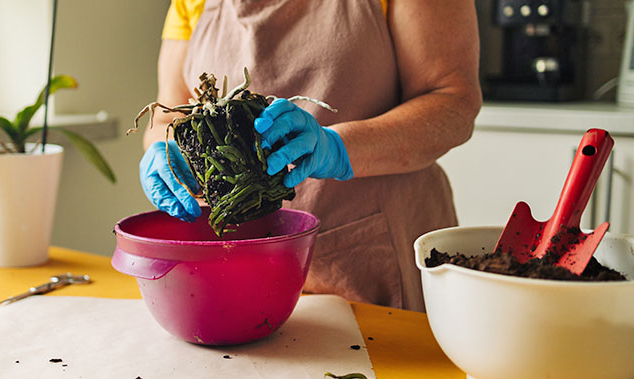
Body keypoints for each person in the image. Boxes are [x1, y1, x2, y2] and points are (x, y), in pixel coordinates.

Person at [139, 0, 482, 311]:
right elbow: (168, 115)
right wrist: (167, 152)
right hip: (246, 273)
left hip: (376, 260)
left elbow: (452, 100)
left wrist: (338, 147)